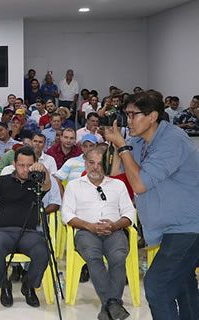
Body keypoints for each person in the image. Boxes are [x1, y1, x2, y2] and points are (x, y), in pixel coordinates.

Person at [103, 92, 199, 320]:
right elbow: (117, 174)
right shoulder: (139, 141)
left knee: (157, 286)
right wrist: (116, 143)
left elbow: (139, 184)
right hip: (171, 228)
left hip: (188, 227)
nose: (129, 120)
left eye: (133, 115)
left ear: (153, 116)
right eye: (126, 114)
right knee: (183, 286)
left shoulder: (173, 140)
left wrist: (123, 146)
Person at [61, 147, 136, 320]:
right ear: (85, 163)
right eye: (91, 163)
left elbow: (129, 213)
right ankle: (113, 304)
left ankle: (107, 306)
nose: (95, 167)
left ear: (107, 164)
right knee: (93, 258)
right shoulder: (74, 186)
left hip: (114, 230)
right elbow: (67, 215)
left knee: (118, 257)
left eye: (100, 163)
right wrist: (90, 226)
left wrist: (116, 225)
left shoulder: (118, 185)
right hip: (86, 231)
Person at [0, 146, 51, 308]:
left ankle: (29, 285)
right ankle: (4, 284)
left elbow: (47, 186)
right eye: (21, 165)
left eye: (29, 165)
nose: (25, 169)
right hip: (3, 232)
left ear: (35, 164)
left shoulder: (37, 181)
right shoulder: (2, 182)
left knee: (43, 252)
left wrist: (43, 170)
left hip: (30, 233)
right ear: (14, 164)